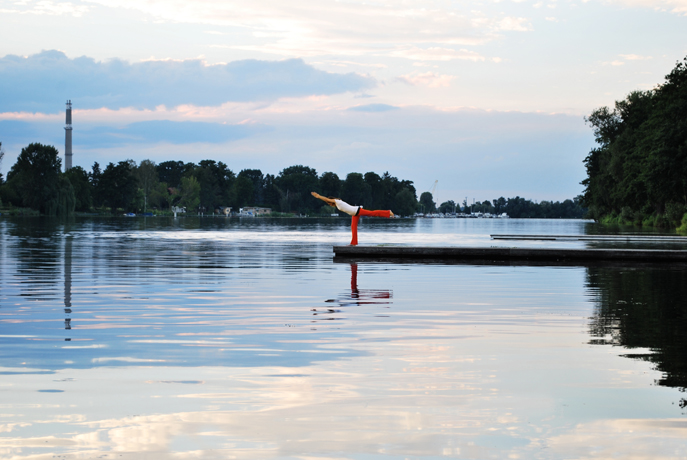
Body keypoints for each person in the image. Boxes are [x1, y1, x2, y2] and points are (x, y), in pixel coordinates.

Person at [311, 191, 394, 245]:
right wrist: (324, 199)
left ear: (332, 200)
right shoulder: (337, 204)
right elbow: (327, 200)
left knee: (372, 213)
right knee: (353, 226)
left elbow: (326, 199)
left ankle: (388, 212)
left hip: (357, 211)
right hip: (354, 213)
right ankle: (354, 243)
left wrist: (318, 196)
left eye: (330, 202)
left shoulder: (337, 201)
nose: (330, 204)